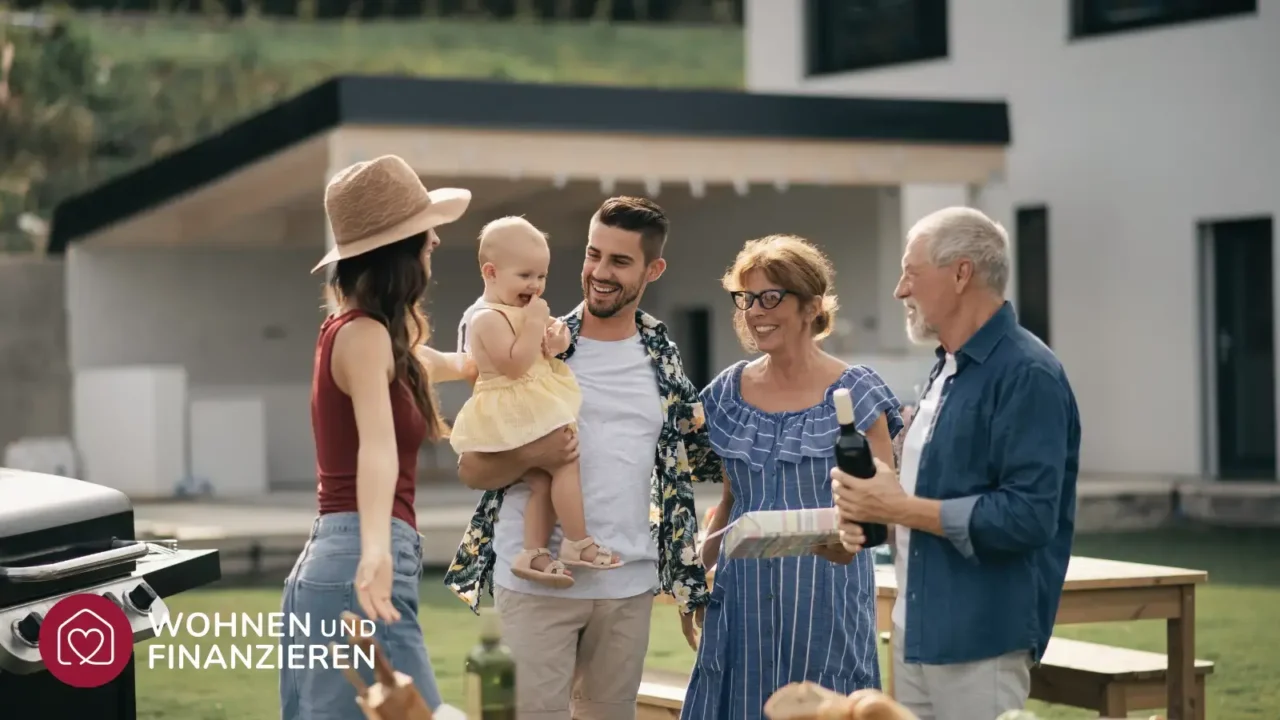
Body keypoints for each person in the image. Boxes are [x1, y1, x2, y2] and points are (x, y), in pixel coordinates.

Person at [443, 196, 721, 720]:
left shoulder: (662, 358)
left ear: (653, 270)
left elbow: (702, 459)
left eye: (620, 261)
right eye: (594, 255)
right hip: (538, 584)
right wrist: (535, 453)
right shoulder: (537, 343)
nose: (599, 272)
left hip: (628, 587)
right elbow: (472, 468)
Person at [831, 206, 1080, 720]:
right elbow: (931, 499)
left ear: (961, 273)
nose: (900, 290)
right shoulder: (946, 368)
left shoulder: (1028, 374)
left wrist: (899, 508)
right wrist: (874, 513)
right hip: (914, 631)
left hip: (981, 641)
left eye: (912, 272)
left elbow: (1029, 516)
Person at [280, 155, 475, 720]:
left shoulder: (371, 338)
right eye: (424, 231)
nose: (435, 240)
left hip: (345, 563)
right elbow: (378, 448)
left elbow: (446, 362)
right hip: (358, 565)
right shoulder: (363, 336)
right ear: (398, 252)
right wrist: (375, 551)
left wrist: (512, 348)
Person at [683, 234, 903, 720]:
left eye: (770, 297)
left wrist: (851, 540)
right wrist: (694, 580)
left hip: (826, 600)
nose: (755, 312)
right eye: (746, 299)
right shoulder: (726, 394)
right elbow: (732, 502)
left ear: (812, 306)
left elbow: (883, 514)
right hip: (741, 605)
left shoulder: (857, 392)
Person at [449, 216, 622, 589]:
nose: (536, 285)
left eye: (541, 276)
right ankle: (577, 541)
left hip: (528, 402)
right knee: (565, 460)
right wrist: (533, 323)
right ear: (491, 273)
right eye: (525, 275)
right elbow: (514, 365)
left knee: (544, 480)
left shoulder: (521, 311)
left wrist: (556, 341)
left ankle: (533, 551)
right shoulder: (486, 318)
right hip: (510, 409)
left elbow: (548, 342)